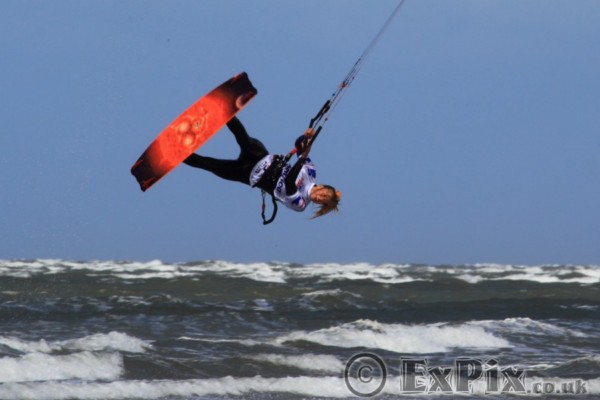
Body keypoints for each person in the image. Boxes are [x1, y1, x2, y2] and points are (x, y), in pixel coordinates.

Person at [183, 116, 341, 219]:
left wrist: (302, 158)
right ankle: (223, 111)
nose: (320, 198)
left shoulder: (301, 204)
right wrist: (307, 137)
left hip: (247, 174)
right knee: (242, 137)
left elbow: (289, 184)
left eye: (323, 201)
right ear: (321, 186)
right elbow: (299, 146)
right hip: (260, 156)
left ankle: (180, 154)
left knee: (210, 165)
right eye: (324, 194)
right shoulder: (310, 172)